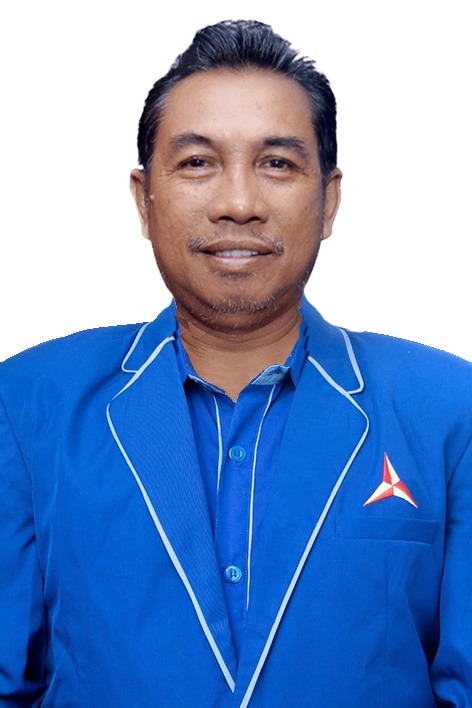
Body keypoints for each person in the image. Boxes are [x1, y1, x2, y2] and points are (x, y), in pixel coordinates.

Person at [0, 19, 471, 708]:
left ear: (329, 200)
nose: (239, 205)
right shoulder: (27, 404)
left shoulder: (448, 409)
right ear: (144, 198)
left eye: (277, 163)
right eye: (198, 163)